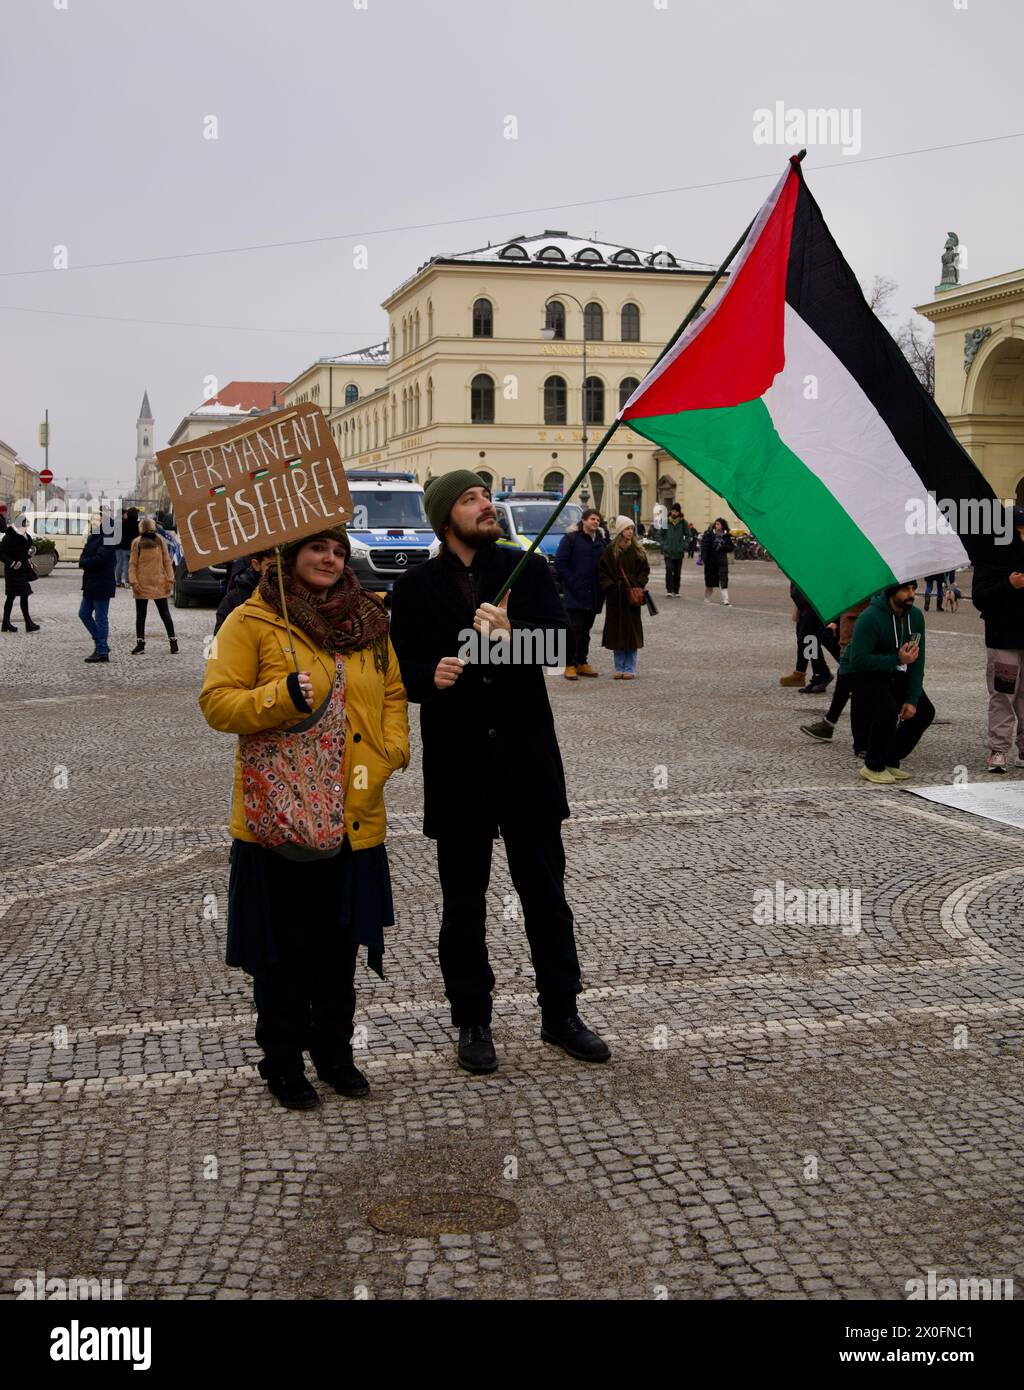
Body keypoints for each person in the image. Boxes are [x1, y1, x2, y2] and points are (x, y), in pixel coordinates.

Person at [389, 470, 610, 1074]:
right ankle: (472, 1021)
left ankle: (561, 1015)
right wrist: (423, 680)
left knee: (546, 896)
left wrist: (511, 636)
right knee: (464, 903)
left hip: (525, 761)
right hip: (459, 765)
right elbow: (402, 672)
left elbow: (563, 648)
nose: (486, 505)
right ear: (445, 516)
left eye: (486, 497)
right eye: (471, 499)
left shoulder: (527, 569)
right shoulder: (413, 589)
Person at [198, 525, 409, 1110]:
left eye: (339, 551)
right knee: (283, 949)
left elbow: (392, 691)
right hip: (279, 818)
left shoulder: (369, 621)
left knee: (338, 945)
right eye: (318, 548)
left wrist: (393, 749)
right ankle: (283, 1059)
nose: (330, 559)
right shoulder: (253, 619)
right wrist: (279, 697)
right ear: (291, 555)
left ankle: (335, 1053)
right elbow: (216, 701)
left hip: (354, 810)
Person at [840, 581, 933, 785]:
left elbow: (918, 661)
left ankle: (890, 758)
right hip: (858, 672)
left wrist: (912, 698)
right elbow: (859, 660)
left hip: (894, 669)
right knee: (887, 711)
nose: (911, 594)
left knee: (924, 711)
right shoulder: (869, 618)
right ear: (891, 592)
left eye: (913, 589)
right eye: (905, 589)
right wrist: (897, 660)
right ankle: (873, 765)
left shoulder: (915, 617)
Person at [971, 506, 1024, 774]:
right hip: (1003, 641)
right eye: (1020, 530)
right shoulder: (990, 559)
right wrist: (1008, 585)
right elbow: (980, 597)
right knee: (1004, 694)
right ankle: (999, 750)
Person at [800, 598, 870, 752]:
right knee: (845, 676)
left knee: (853, 680)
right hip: (846, 626)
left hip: (858, 630)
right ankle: (829, 723)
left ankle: (820, 674)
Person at [553, 507, 605, 679]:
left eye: (598, 520)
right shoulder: (571, 539)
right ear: (583, 520)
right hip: (575, 592)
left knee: (586, 630)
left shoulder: (601, 541)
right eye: (592, 519)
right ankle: (569, 663)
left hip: (594, 593)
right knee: (573, 629)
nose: (595, 522)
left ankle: (582, 661)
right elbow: (560, 563)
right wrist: (572, 582)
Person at [598, 515, 649, 679]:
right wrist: (611, 588)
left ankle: (630, 667)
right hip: (616, 598)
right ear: (620, 531)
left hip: (632, 597)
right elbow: (603, 572)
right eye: (627, 529)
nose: (630, 532)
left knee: (632, 632)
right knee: (617, 632)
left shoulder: (638, 550)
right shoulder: (610, 550)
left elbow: (644, 571)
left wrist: (639, 584)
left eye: (631, 529)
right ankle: (619, 666)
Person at [128, 518, 178, 654]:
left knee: (164, 614)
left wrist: (170, 580)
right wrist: (133, 582)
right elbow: (133, 564)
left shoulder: (159, 541)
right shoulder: (137, 543)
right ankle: (140, 643)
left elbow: (167, 561)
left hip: (158, 583)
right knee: (141, 615)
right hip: (142, 584)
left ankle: (173, 642)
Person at [783, 583, 838, 693]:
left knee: (810, 639)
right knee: (807, 640)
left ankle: (824, 674)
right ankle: (819, 674)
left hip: (814, 601)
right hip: (804, 602)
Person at [78, 516, 117, 662]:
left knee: (101, 618)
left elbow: (100, 559)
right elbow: (83, 556)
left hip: (102, 582)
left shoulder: (109, 539)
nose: (94, 522)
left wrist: (85, 562)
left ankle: (101, 652)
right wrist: (85, 561)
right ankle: (102, 644)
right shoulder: (93, 537)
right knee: (83, 614)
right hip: (89, 582)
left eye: (98, 520)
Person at [214, 550, 275, 634]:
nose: (277, 570)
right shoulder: (235, 598)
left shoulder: (292, 592)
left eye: (282, 564)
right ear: (256, 565)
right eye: (270, 565)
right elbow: (220, 638)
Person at [0, 517, 41, 633]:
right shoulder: (9, 537)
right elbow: (1, 553)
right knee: (20, 594)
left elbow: (26, 551)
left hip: (23, 570)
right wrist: (12, 563)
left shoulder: (25, 536)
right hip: (13, 571)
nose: (26, 527)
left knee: (15, 596)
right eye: (24, 525)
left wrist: (31, 554)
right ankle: (27, 623)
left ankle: (6, 624)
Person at [701, 518, 734, 604]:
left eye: (718, 524)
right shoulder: (709, 534)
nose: (717, 526)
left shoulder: (726, 536)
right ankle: (707, 597)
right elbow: (705, 547)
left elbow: (731, 548)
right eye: (716, 524)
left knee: (723, 580)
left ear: (723, 525)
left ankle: (725, 599)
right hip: (710, 562)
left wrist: (723, 546)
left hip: (721, 561)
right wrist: (703, 559)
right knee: (710, 581)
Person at [661, 503, 688, 597]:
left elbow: (688, 535)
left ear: (679, 512)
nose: (674, 513)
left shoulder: (683, 522)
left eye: (676, 511)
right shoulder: (665, 522)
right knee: (669, 569)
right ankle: (669, 590)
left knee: (677, 572)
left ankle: (676, 590)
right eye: (673, 510)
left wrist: (683, 545)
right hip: (668, 551)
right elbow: (661, 534)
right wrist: (664, 545)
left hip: (678, 552)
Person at [115, 506, 140, 588]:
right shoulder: (138, 525)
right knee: (132, 565)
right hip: (133, 547)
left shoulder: (123, 523)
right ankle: (129, 581)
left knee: (122, 564)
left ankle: (120, 581)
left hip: (122, 547)